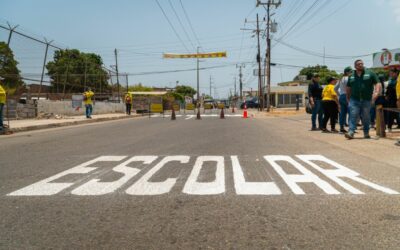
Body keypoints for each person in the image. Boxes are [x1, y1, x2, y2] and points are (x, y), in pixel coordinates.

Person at [345, 59, 380, 139]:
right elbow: (348, 87)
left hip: (367, 99)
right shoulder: (351, 75)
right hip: (354, 99)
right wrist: (347, 98)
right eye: (358, 64)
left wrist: (376, 92)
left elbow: (377, 83)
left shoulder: (370, 73)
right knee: (353, 115)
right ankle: (351, 132)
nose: (360, 65)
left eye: (361, 63)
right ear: (355, 66)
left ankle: (366, 133)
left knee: (366, 117)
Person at [335, 66, 352, 133]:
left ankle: (341, 128)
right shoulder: (350, 78)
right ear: (347, 72)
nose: (351, 73)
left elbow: (335, 89)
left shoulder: (341, 79)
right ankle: (351, 128)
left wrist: (340, 95)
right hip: (348, 96)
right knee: (351, 113)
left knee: (342, 113)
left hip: (341, 97)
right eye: (350, 72)